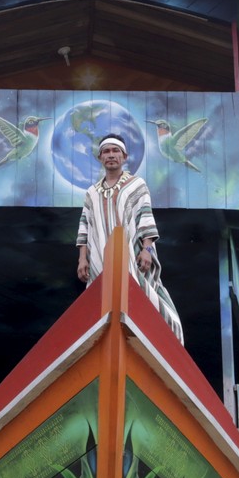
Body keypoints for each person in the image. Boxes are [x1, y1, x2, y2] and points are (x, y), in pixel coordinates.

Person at [76, 134, 183, 342]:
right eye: (106, 152)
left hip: (132, 255)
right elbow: (84, 226)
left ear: (124, 157)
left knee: (138, 294)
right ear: (100, 158)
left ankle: (160, 338)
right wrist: (82, 258)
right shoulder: (92, 192)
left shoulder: (136, 185)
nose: (111, 156)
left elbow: (145, 217)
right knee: (101, 299)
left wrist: (147, 250)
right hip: (100, 258)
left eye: (115, 151)